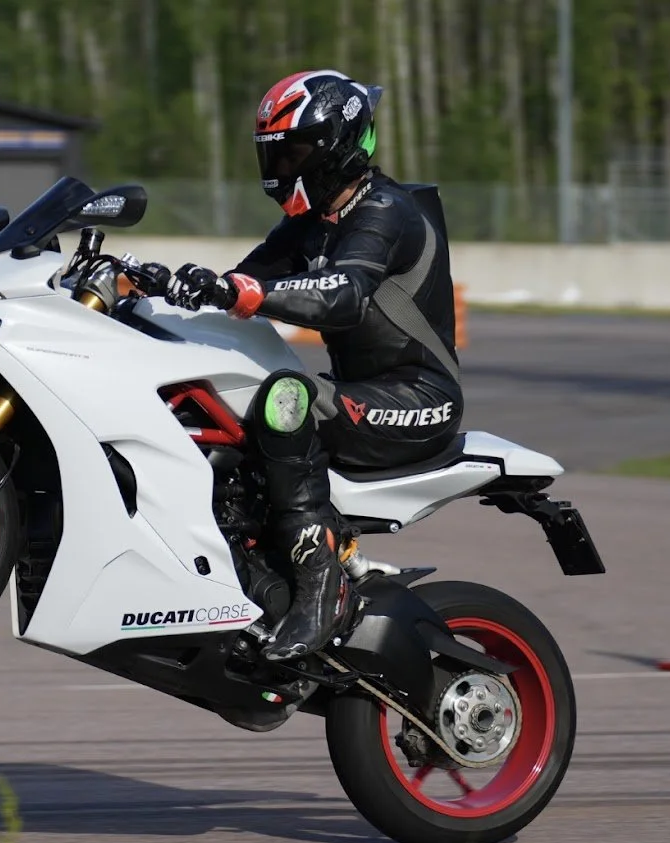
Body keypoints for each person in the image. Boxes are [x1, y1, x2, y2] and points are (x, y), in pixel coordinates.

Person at [161, 70, 464, 663]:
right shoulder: (309, 223)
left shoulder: (386, 211)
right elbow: (242, 281)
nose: (281, 165)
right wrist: (153, 289)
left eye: (294, 149)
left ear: (337, 144)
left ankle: (320, 587)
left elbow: (344, 295)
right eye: (273, 152)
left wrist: (239, 292)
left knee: (285, 397)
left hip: (420, 398)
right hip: (360, 392)